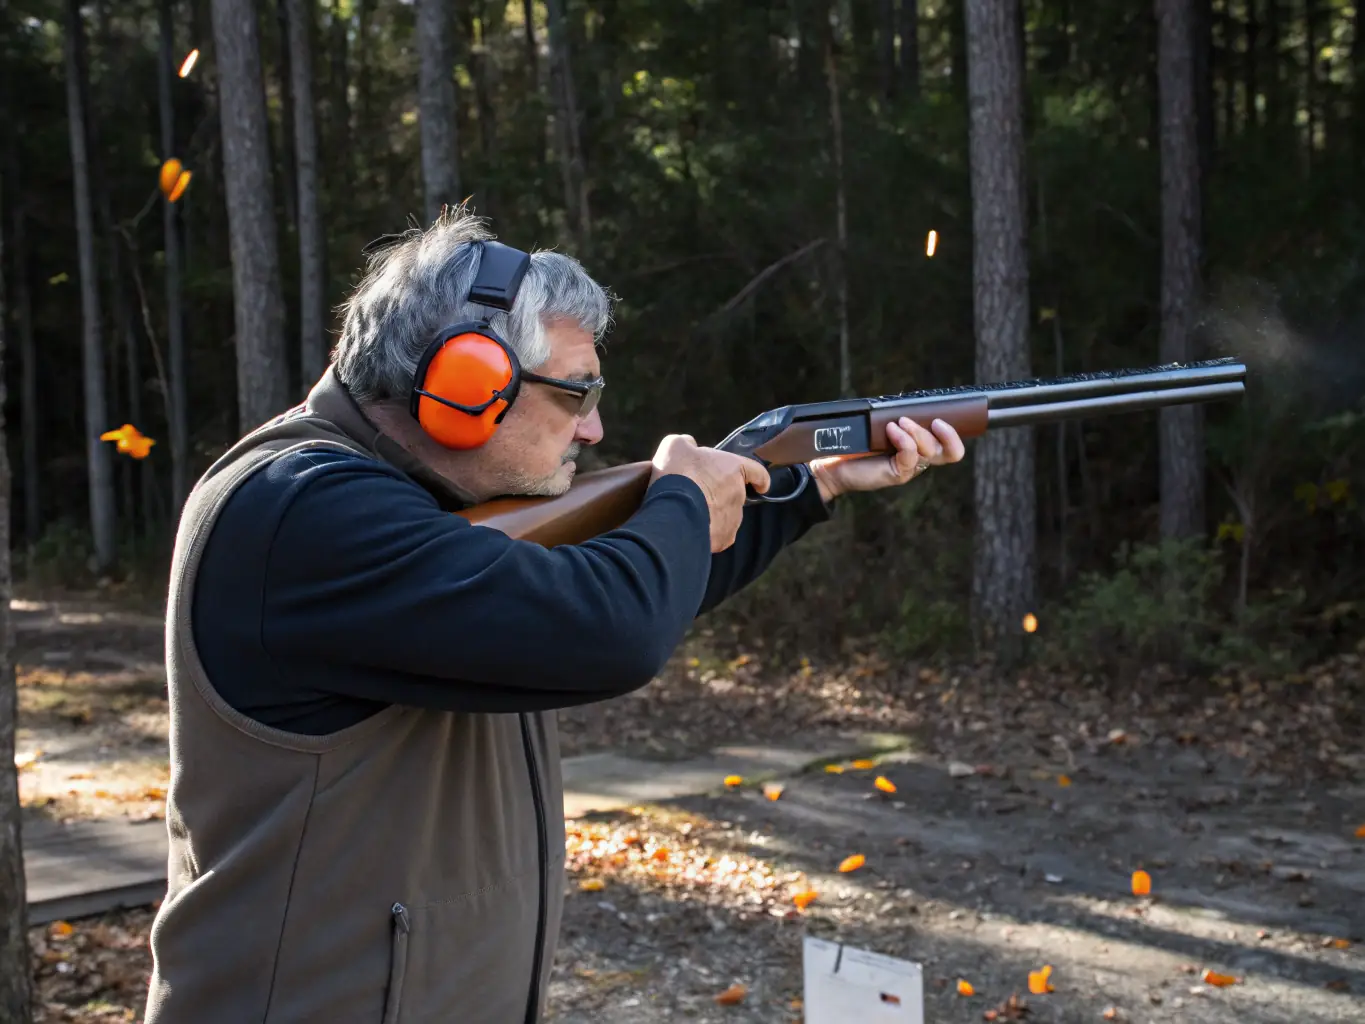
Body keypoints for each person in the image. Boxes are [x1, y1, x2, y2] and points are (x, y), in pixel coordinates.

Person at [143, 207, 964, 1024]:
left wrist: (809, 485)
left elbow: (642, 587)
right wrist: (679, 494)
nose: (595, 427)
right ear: (464, 384)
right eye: (577, 394)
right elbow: (607, 630)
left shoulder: (422, 506)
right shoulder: (302, 510)